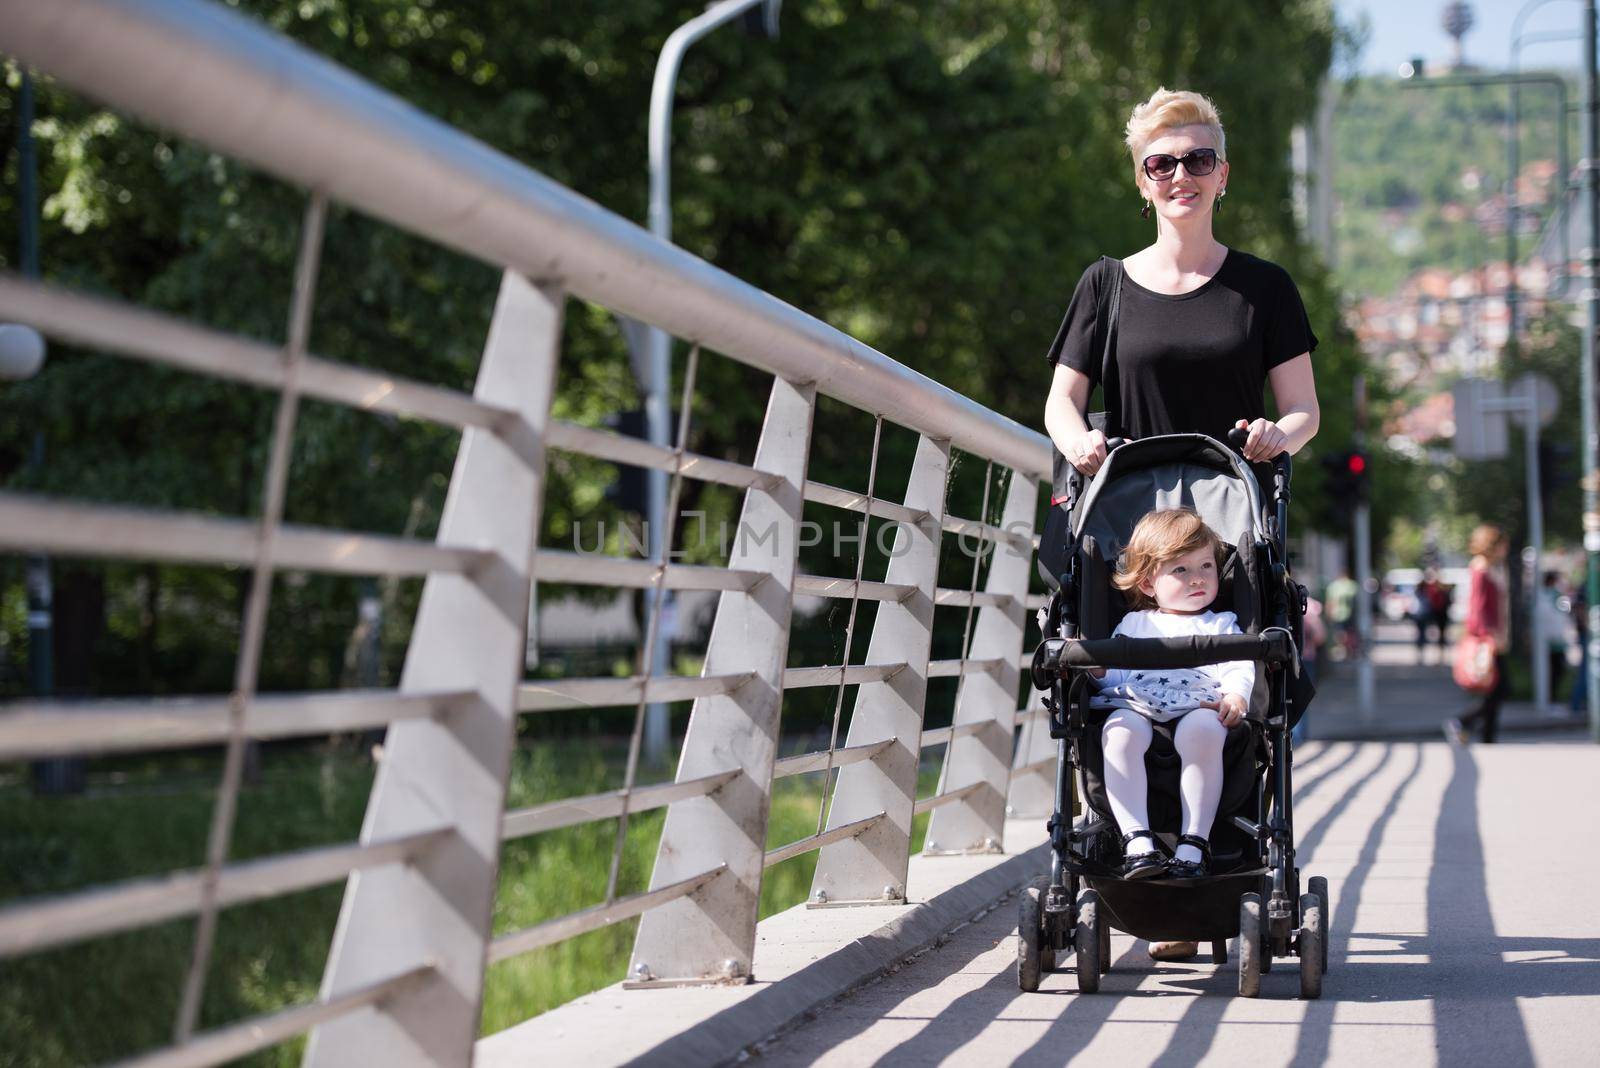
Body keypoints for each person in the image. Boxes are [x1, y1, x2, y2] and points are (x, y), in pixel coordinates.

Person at [1041, 86, 1320, 962]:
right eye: (1163, 163)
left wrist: (1282, 434)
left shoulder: (1262, 288)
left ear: (1223, 173)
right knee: (1107, 675)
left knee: (1236, 680)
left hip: (1231, 528)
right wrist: (1079, 443)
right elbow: (1060, 399)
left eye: (1198, 159)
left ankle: (1212, 856)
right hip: (1132, 523)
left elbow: (1305, 409)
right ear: (1142, 179)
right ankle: (1140, 853)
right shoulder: (1105, 287)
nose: (1181, 176)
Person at [1089, 509, 1252, 883]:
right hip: (1136, 706)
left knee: (1205, 731)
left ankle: (1194, 842)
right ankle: (1136, 840)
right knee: (1118, 732)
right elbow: (1114, 676)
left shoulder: (1221, 624)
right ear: (1147, 584)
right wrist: (1096, 668)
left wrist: (1236, 696)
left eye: (1206, 566)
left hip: (1198, 704)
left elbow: (1238, 666)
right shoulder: (1134, 624)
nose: (1198, 579)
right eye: (1180, 570)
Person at [1447, 525, 1510, 744]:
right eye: (1502, 545)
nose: (1506, 549)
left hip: (1494, 636)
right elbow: (1479, 607)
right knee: (1499, 687)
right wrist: (1488, 636)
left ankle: (1486, 734)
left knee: (1496, 688)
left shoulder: (1492, 568)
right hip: (1488, 638)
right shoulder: (1481, 569)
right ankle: (1464, 722)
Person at [1536, 571, 1572, 714]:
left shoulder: (1550, 595)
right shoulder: (1551, 596)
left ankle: (1551, 700)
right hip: (1553, 640)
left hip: (1554, 640)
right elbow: (1560, 615)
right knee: (1555, 671)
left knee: (1555, 671)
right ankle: (1550, 700)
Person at [1415, 568, 1452, 665]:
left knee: (1438, 636)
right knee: (1426, 635)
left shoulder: (1440, 590)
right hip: (1434, 613)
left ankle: (1438, 657)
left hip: (1438, 614)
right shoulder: (1428, 588)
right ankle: (1431, 656)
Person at [1324, 570, 1357, 660]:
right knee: (1349, 633)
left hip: (1337, 614)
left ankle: (1343, 648)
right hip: (1350, 614)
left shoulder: (1333, 586)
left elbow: (1330, 602)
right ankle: (1348, 650)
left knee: (1340, 633)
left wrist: (1328, 614)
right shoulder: (1352, 585)